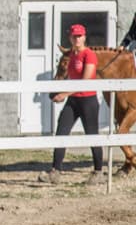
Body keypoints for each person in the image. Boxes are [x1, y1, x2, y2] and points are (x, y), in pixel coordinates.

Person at [37, 24, 104, 185]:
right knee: (61, 132)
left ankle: (98, 171)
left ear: (84, 37)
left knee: (92, 135)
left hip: (87, 100)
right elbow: (69, 78)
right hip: (74, 100)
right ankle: (55, 171)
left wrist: (64, 94)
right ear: (70, 38)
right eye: (74, 36)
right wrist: (59, 91)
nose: (77, 39)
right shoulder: (72, 56)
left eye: (80, 36)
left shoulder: (89, 55)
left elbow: (86, 81)